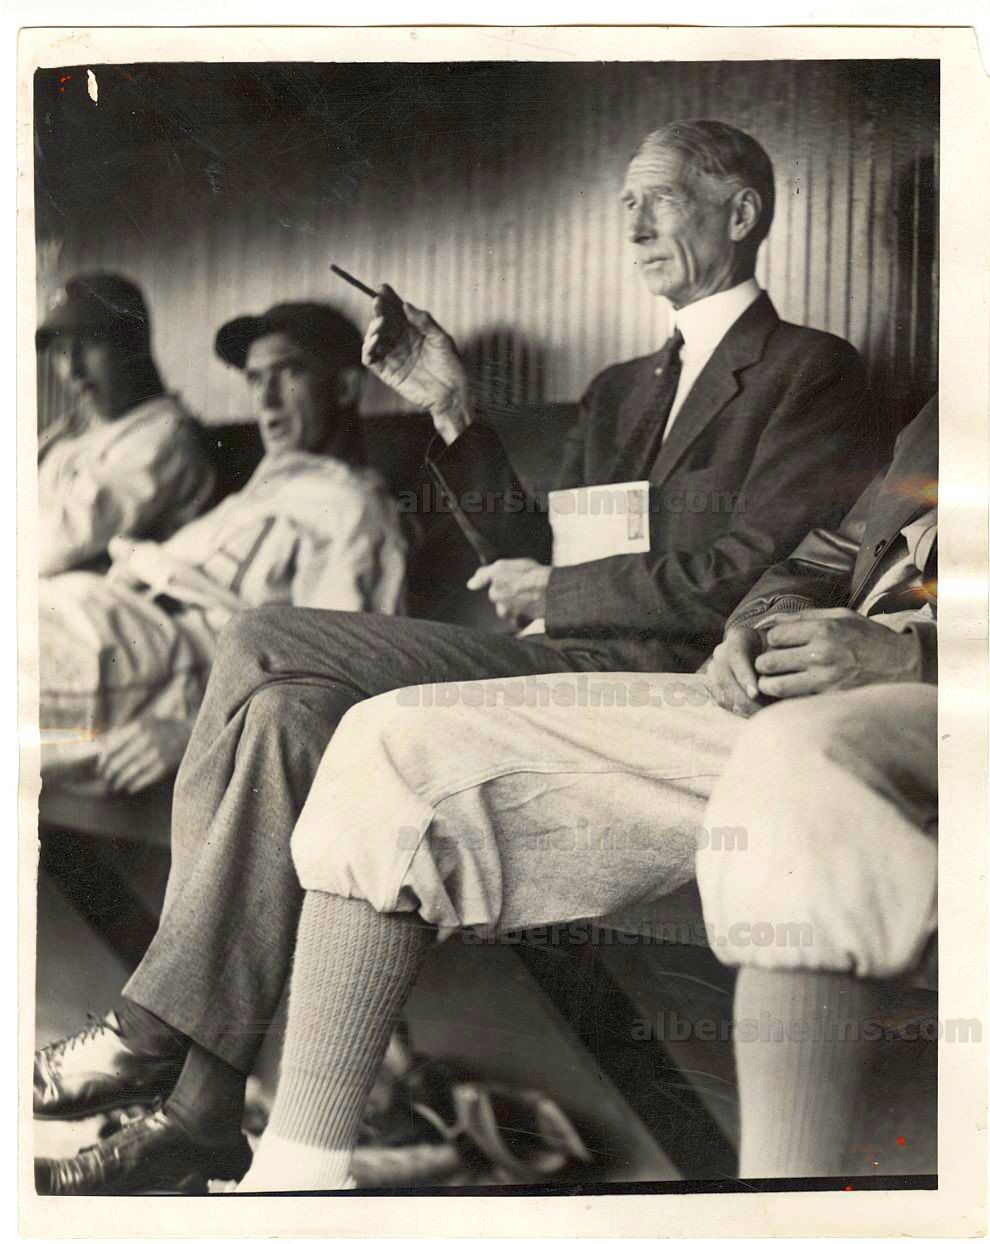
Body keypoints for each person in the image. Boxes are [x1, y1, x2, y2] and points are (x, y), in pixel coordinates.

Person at [34, 118, 876, 1194]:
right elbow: (530, 554)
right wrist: (449, 402)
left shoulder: (811, 370)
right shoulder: (623, 389)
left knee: (261, 635)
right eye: (623, 202)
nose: (632, 223)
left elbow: (752, 576)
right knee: (287, 710)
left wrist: (559, 590)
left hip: (665, 686)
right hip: (562, 660)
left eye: (658, 197)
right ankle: (202, 1111)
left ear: (743, 213)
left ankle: (157, 1037)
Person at [205, 396, 934, 1192]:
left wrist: (914, 656)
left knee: (796, 761)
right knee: (393, 742)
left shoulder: (805, 374)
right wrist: (760, 625)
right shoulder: (946, 403)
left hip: (939, 705)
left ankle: (782, 1217)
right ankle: (293, 1188)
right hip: (788, 693)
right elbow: (822, 554)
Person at [39, 302, 407, 795]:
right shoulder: (263, 491)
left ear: (344, 387)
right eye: (255, 379)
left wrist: (195, 730)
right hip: (108, 620)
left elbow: (342, 675)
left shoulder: (352, 507)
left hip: (171, 662)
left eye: (289, 372)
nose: (267, 399)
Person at [36, 273, 215, 577]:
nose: (71, 369)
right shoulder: (78, 429)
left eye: (89, 344)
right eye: (60, 351)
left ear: (133, 345)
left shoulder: (162, 440)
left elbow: (48, 549)